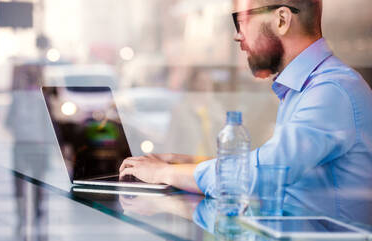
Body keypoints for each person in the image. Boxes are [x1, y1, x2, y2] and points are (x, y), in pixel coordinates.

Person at [120, 0, 372, 224]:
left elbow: (260, 175)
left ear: (282, 19)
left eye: (241, 21)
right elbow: (279, 169)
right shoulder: (305, 89)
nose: (237, 36)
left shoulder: (331, 90)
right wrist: (192, 165)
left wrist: (164, 173)